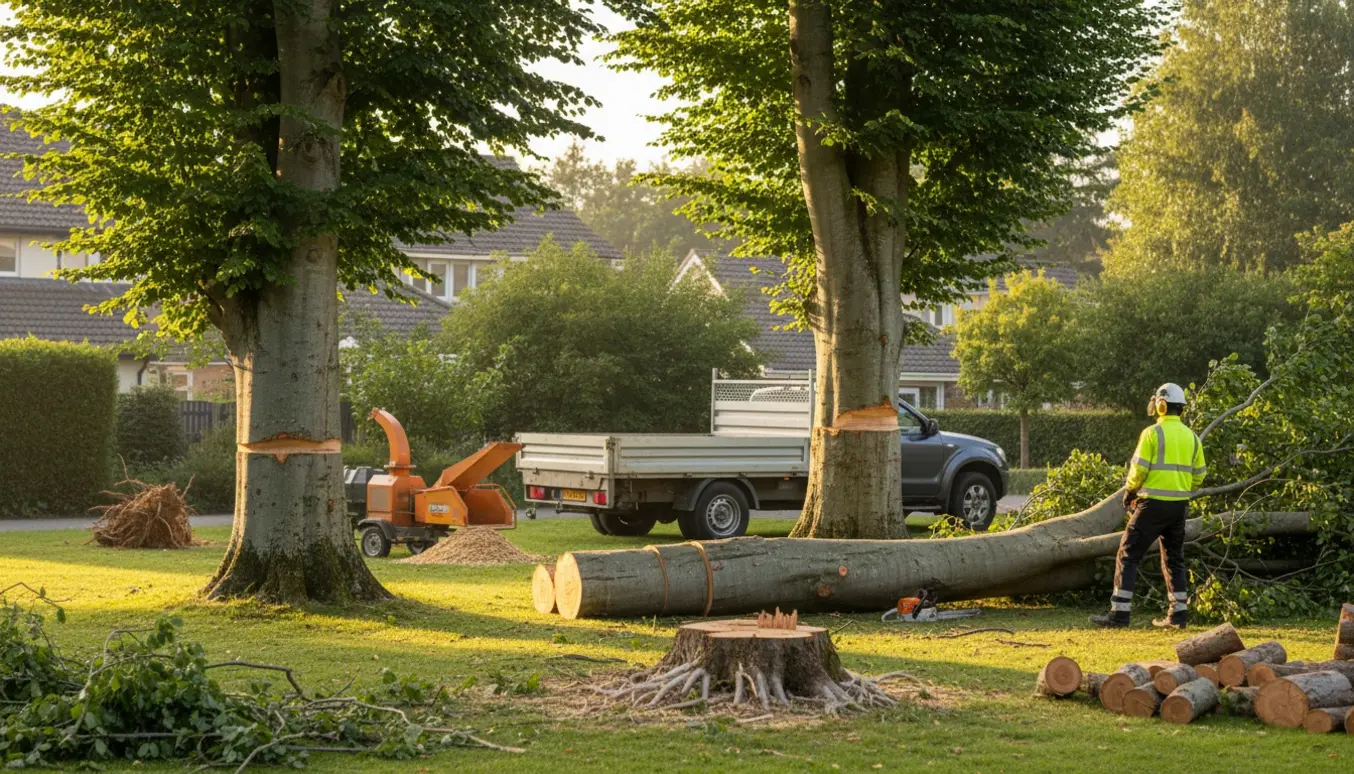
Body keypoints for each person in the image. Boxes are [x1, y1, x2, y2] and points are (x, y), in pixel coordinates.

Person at [1090, 383, 1206, 630]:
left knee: (1127, 554)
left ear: (1161, 405)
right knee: (1174, 558)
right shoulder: (1193, 438)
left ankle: (1119, 615)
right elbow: (1199, 476)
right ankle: (1177, 617)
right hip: (1178, 506)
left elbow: (1139, 470)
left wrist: (1130, 491)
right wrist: (1179, 487)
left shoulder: (1152, 434)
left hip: (1151, 505)